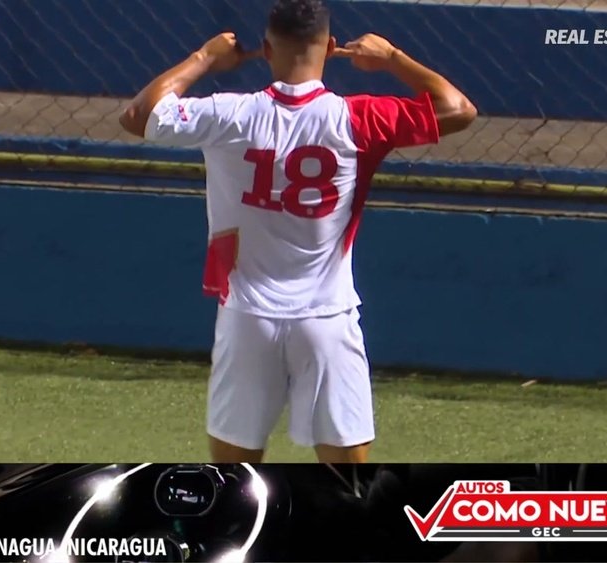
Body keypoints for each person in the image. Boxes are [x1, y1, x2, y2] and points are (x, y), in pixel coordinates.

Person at [119, 0, 476, 463]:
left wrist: (205, 58)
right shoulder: (358, 119)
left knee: (234, 476)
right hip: (326, 316)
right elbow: (459, 108)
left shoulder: (230, 114)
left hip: (246, 315)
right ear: (330, 48)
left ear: (266, 49)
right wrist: (391, 59)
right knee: (348, 481)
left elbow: (138, 115)